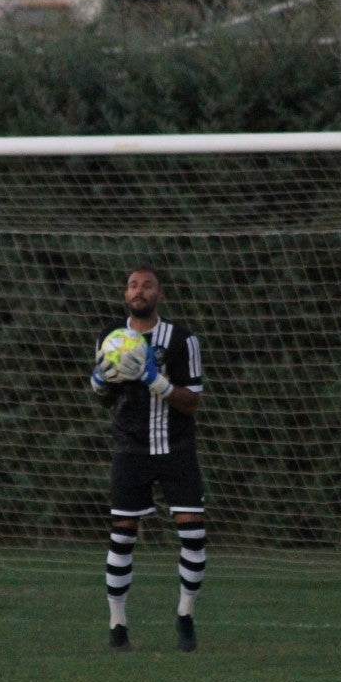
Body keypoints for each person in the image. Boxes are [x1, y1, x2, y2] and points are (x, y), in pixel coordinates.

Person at [90, 265, 206, 652]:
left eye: (147, 285)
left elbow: (192, 402)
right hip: (131, 449)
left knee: (193, 532)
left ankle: (186, 616)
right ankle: (117, 626)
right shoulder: (110, 337)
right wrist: (99, 382)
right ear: (126, 294)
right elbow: (104, 399)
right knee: (121, 536)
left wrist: (159, 382)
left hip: (176, 447)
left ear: (159, 293)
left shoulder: (182, 339)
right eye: (133, 285)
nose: (139, 291)